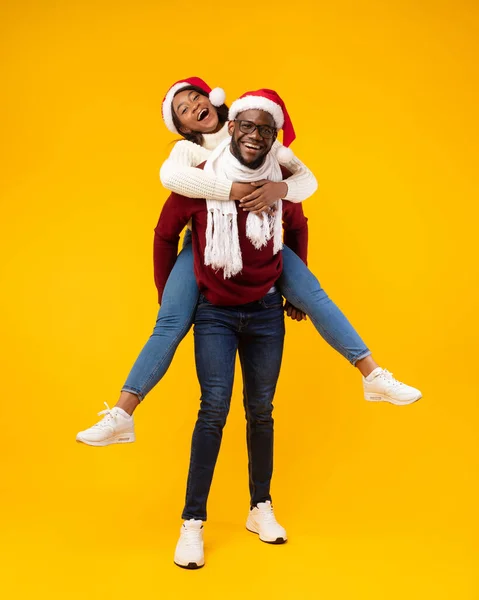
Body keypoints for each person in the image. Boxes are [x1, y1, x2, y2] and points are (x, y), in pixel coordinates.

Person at [76, 79, 421, 447]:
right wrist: (232, 191)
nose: (194, 106)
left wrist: (279, 190)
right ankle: (122, 414)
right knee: (169, 325)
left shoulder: (250, 130)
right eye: (183, 110)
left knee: (315, 295)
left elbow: (305, 189)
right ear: (183, 127)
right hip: (208, 240)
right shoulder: (188, 153)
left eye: (196, 98)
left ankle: (372, 374)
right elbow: (170, 182)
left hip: (262, 236)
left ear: (216, 102)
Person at [154, 91, 309, 568]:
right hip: (215, 313)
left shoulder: (272, 172)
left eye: (265, 130)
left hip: (264, 311)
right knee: (213, 410)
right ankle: (192, 523)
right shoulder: (201, 179)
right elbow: (164, 233)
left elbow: (298, 224)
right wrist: (169, 296)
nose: (254, 136)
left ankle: (260, 508)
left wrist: (296, 287)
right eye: (184, 108)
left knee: (261, 410)